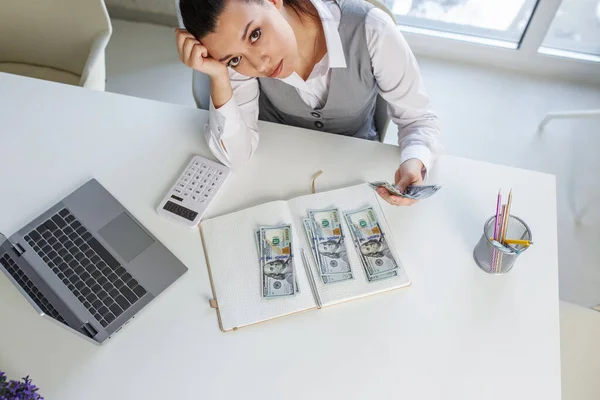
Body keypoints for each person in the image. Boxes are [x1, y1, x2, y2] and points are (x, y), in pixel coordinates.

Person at [176, 0, 442, 206]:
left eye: (255, 34)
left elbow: (418, 120)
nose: (259, 64)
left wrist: (414, 161)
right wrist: (220, 75)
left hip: (353, 174)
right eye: (234, 59)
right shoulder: (238, 63)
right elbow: (237, 156)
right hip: (277, 179)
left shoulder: (372, 30)